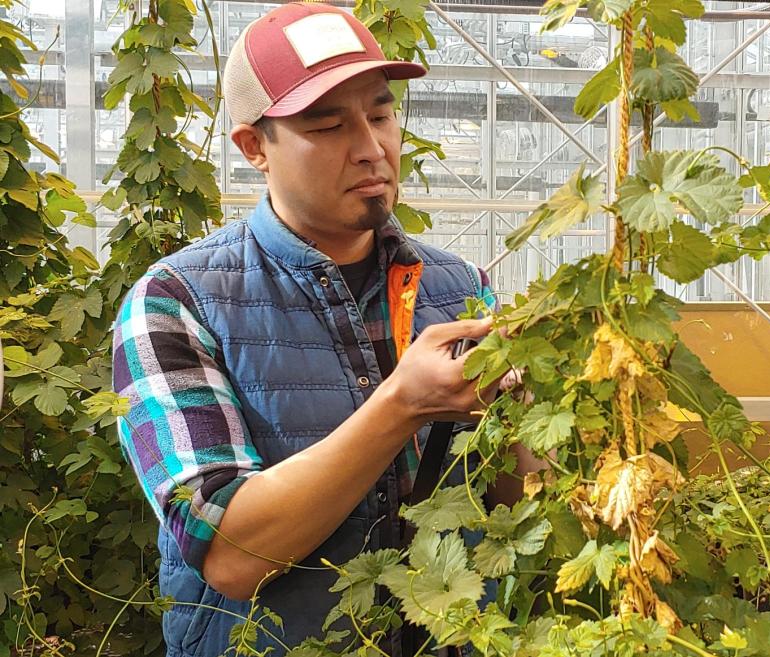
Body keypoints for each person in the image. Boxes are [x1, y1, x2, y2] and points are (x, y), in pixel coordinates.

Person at [111, 4, 532, 656]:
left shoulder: (459, 290)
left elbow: (515, 504)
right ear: (254, 147)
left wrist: (526, 411)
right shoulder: (175, 303)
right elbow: (229, 554)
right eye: (328, 124)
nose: (371, 148)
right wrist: (402, 405)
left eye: (381, 115)